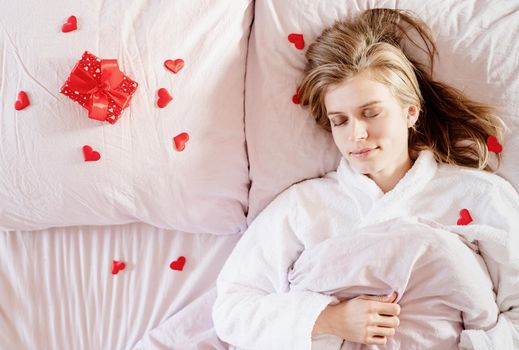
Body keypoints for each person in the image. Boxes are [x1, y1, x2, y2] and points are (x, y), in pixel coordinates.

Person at [212, 8, 519, 350]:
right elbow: (231, 309)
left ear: (410, 111)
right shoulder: (303, 207)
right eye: (340, 121)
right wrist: (329, 318)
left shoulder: (480, 196)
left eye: (370, 113)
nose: (356, 134)